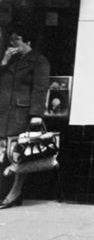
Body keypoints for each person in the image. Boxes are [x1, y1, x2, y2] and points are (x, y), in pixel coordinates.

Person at [0, 27, 50, 208]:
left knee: (19, 155)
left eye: (17, 40)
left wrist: (36, 115)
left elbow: (40, 89)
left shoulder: (39, 61)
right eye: (11, 40)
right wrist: (4, 61)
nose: (13, 43)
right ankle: (4, 192)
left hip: (21, 115)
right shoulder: (10, 60)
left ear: (28, 42)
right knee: (3, 155)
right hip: (3, 114)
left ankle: (15, 192)